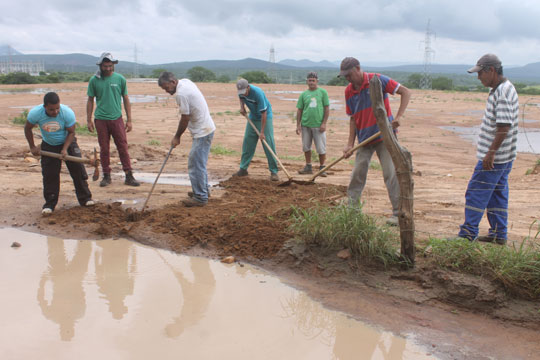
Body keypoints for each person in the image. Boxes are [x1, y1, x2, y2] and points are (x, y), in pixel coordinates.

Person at [339, 57, 411, 226]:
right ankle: (352, 211)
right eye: (344, 76)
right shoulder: (349, 91)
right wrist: (350, 144)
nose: (347, 79)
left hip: (385, 136)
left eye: (349, 75)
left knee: (390, 174)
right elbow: (353, 119)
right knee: (357, 173)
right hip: (364, 139)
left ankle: (398, 213)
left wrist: (399, 117)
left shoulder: (377, 80)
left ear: (358, 68)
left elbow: (406, 92)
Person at [456, 54, 519, 245]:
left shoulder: (503, 92)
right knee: (497, 195)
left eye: (480, 73)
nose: (478, 78)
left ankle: (467, 234)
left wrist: (490, 153)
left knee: (476, 192)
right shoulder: (500, 90)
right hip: (503, 157)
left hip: (495, 158)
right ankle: (499, 234)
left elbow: (504, 126)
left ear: (491, 70)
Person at [24, 92, 95, 215]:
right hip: (49, 144)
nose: (55, 112)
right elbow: (27, 128)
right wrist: (32, 147)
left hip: (68, 141)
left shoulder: (67, 113)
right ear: (45, 106)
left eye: (57, 108)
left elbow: (71, 132)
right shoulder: (35, 113)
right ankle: (50, 205)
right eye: (51, 109)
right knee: (49, 175)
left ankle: (86, 199)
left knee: (78, 170)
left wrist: (65, 149)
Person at [158, 72, 216, 207]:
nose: (167, 91)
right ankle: (203, 191)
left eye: (166, 88)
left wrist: (177, 136)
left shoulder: (181, 94)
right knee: (199, 163)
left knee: (195, 164)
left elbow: (185, 117)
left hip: (203, 131)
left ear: (173, 81)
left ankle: (200, 197)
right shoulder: (185, 81)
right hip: (205, 128)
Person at [86, 52, 140, 187]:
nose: (108, 69)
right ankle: (106, 176)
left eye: (110, 66)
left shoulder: (120, 79)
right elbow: (90, 100)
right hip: (101, 119)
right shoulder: (94, 80)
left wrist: (129, 120)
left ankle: (129, 175)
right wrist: (89, 120)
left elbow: (126, 99)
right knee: (104, 149)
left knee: (123, 147)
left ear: (113, 65)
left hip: (117, 119)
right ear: (100, 66)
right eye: (105, 66)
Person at [235, 78, 279, 181]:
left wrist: (262, 132)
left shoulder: (258, 93)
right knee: (248, 142)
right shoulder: (241, 92)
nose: (243, 94)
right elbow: (241, 98)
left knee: (268, 142)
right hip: (253, 116)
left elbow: (263, 113)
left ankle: (274, 171)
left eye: (244, 91)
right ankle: (243, 169)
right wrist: (242, 108)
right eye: (241, 92)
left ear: (248, 87)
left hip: (265, 117)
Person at [296, 71, 330, 176]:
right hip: (305, 125)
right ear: (307, 81)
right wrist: (298, 125)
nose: (311, 82)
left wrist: (324, 123)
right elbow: (299, 110)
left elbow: (327, 108)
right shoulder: (303, 94)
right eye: (309, 80)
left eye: (313, 80)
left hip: (318, 125)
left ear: (317, 81)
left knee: (321, 148)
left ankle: (322, 168)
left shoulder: (323, 92)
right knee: (306, 147)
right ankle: (308, 166)